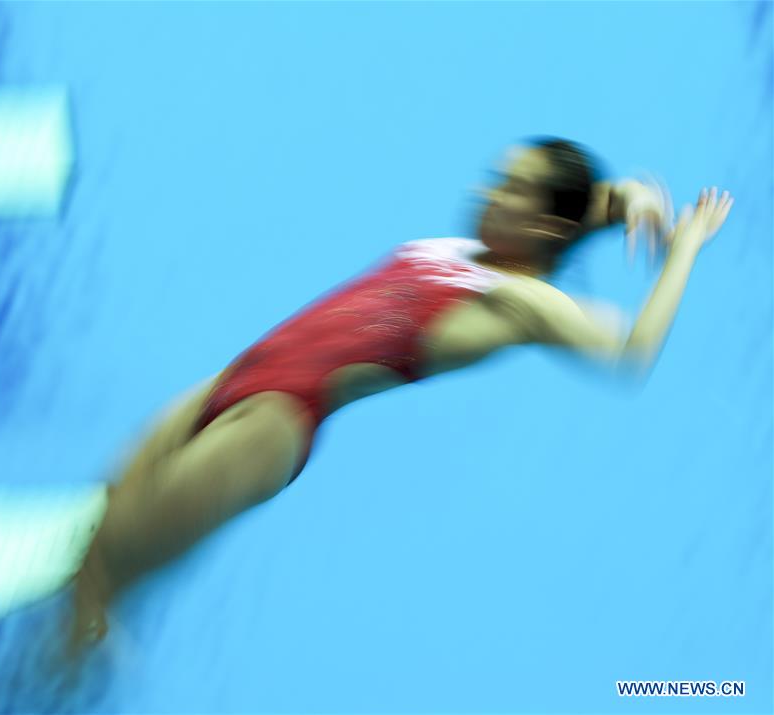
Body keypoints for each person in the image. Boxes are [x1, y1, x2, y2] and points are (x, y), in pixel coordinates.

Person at [65, 137, 733, 656]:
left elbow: (631, 351)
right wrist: (629, 199)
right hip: (233, 377)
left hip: (270, 421)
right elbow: (580, 202)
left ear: (544, 226)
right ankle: (74, 662)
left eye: (512, 188)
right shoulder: (475, 248)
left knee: (104, 570)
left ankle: (47, 685)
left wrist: (685, 248)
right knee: (98, 528)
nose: (488, 191)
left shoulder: (521, 300)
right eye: (498, 175)